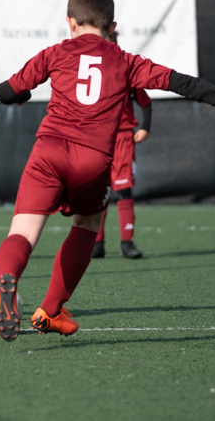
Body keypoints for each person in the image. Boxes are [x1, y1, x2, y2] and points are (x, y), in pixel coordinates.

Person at [0, 0, 215, 342]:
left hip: (49, 151)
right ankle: (51, 309)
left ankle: (8, 279)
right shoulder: (126, 61)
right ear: (112, 27)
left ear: (70, 22)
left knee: (23, 233)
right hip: (92, 161)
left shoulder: (55, 53)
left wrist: (22, 94)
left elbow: (5, 92)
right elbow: (185, 84)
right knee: (87, 227)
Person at [92, 31, 152, 259]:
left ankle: (127, 243)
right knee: (98, 191)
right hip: (96, 139)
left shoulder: (126, 69)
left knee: (123, 189)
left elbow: (145, 101)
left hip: (123, 138)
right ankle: (96, 244)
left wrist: (145, 127)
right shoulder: (90, 72)